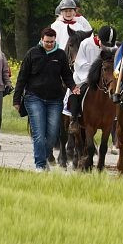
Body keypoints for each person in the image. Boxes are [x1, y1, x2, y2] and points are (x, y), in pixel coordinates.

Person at [13, 27, 79, 172]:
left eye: (51, 41)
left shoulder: (60, 55)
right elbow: (22, 77)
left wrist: (73, 87)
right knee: (39, 133)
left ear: (55, 40)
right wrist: (17, 99)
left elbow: (67, 75)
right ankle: (40, 165)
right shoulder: (32, 53)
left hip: (55, 99)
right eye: (46, 41)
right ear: (42, 40)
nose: (49, 44)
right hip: (34, 97)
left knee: (53, 133)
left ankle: (43, 156)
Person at [70, 24, 117, 123]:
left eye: (109, 45)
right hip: (85, 77)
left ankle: (115, 117)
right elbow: (80, 64)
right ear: (98, 37)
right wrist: (95, 73)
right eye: (104, 44)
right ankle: (74, 118)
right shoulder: (86, 44)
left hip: (106, 78)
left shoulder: (113, 48)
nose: (106, 47)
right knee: (76, 92)